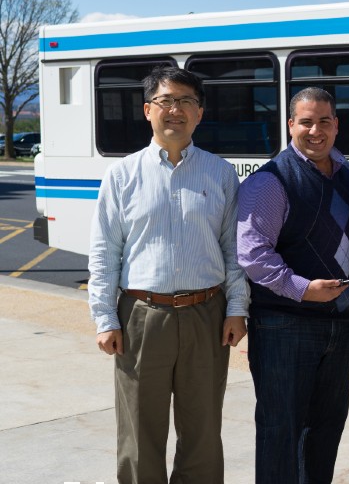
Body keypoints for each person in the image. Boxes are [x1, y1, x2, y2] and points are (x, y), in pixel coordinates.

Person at [88, 66, 249, 484]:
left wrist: (236, 309)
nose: (175, 110)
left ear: (199, 113)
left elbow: (234, 250)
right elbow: (105, 251)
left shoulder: (220, 174)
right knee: (140, 433)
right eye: (166, 101)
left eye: (186, 102)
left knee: (202, 433)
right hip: (141, 316)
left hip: (206, 315)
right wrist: (105, 318)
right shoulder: (122, 175)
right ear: (147, 110)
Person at [237, 87, 349, 483]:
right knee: (282, 432)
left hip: (340, 327)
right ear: (291, 125)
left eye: (324, 121)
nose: (316, 130)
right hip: (284, 326)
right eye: (306, 122)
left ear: (336, 125)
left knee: (325, 432)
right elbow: (253, 255)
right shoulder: (271, 181)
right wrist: (302, 288)